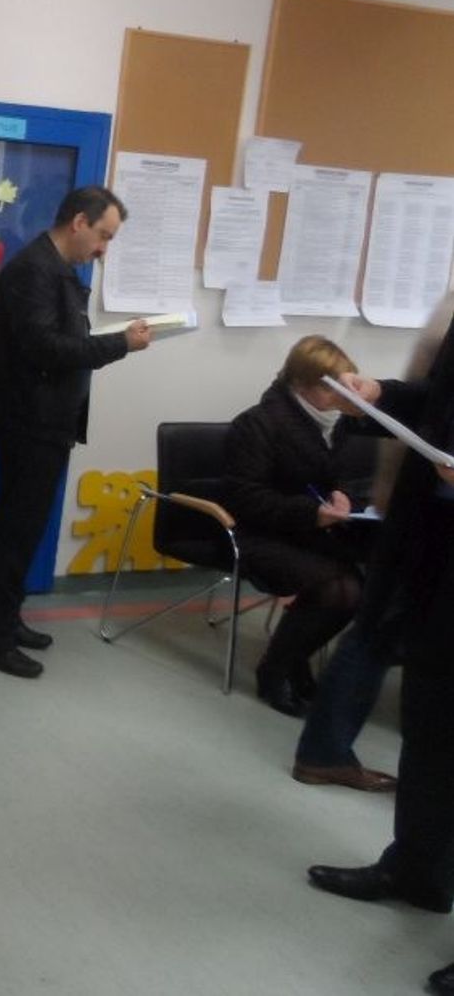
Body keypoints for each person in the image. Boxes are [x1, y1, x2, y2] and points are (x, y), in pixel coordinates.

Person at [304, 322, 454, 994]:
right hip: (436, 548)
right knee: (431, 720)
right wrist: (382, 394)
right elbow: (440, 400)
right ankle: (417, 870)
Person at [0, 185, 151, 678]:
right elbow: (46, 348)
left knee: (25, 528)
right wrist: (120, 344)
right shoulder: (34, 270)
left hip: (45, 419)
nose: (104, 249)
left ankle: (7, 619)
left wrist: (112, 342)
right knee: (15, 529)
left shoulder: (55, 268)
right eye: (104, 235)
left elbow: (60, 341)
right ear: (79, 222)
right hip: (28, 419)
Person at [290, 295, 454, 792]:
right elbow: (437, 398)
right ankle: (326, 753)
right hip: (428, 512)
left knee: (389, 635)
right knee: (380, 629)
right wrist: (379, 392)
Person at [222, 336, 380, 723]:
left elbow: (335, 477)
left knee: (361, 586)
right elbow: (246, 499)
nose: (342, 397)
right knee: (339, 589)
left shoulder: (337, 425)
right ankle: (275, 670)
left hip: (308, 532)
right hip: (257, 533)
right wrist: (311, 513)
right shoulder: (258, 424)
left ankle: (292, 659)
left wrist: (342, 497)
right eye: (331, 389)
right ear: (301, 384)